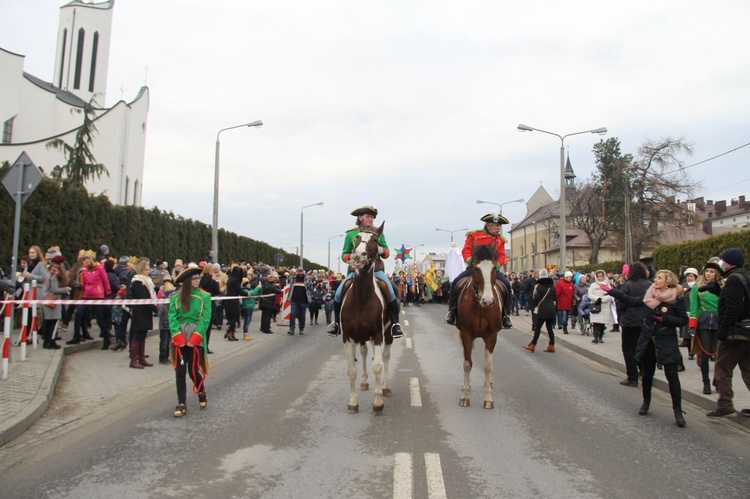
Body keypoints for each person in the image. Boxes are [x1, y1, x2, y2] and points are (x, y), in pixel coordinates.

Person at [326, 206, 403, 338]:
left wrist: (379, 250)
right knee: (338, 294)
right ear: (360, 218)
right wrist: (350, 259)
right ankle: (336, 324)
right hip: (355, 270)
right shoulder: (351, 234)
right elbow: (344, 253)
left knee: (391, 291)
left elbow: (386, 252)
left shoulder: (377, 232)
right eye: (368, 216)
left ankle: (395, 324)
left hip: (375, 270)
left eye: (372, 217)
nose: (370, 219)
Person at [634, 270, 688, 427]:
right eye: (656, 277)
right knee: (647, 373)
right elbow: (632, 301)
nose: (655, 280)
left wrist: (665, 318)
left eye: (659, 278)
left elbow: (682, 320)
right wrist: (612, 291)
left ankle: (677, 411)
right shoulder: (650, 295)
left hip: (667, 340)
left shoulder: (675, 299)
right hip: (649, 340)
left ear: (668, 281)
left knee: (672, 375)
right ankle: (646, 401)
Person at [444, 212, 513, 329]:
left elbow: (501, 255)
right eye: (496, 226)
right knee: (456, 282)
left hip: (491, 270)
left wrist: (496, 265)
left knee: (506, 285)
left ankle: (506, 315)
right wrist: (471, 261)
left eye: (499, 226)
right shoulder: (474, 235)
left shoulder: (500, 240)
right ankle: (452, 312)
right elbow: (466, 250)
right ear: (488, 225)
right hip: (474, 269)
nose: (499, 228)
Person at [706, 248, 750, 418]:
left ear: (729, 262)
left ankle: (725, 404)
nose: (721, 264)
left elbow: (733, 307)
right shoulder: (745, 277)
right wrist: (718, 291)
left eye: (723, 261)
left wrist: (722, 330)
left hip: (733, 333)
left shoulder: (732, 280)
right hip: (747, 331)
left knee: (722, 368)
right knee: (747, 368)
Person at [169, 266, 211, 418]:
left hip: (195, 337)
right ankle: (181, 403)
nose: (197, 281)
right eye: (194, 279)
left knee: (193, 370)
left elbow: (205, 319)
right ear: (186, 281)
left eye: (198, 278)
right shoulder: (175, 297)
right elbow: (172, 317)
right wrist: (177, 337)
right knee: (180, 372)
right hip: (180, 336)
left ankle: (201, 390)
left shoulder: (204, 297)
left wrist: (195, 338)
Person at [607, 262, 652, 387]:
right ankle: (643, 371)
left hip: (630, 320)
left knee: (628, 349)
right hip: (645, 321)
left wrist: (622, 315)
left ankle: (632, 377)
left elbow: (621, 302)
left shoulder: (628, 285)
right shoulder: (650, 285)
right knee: (642, 347)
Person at [688, 258, 722, 394]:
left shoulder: (722, 288)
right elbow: (694, 308)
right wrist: (692, 326)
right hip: (704, 322)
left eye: (712, 271)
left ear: (717, 273)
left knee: (720, 355)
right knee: (705, 354)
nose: (708, 274)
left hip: (719, 322)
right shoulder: (697, 288)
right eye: (706, 271)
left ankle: (717, 380)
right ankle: (706, 382)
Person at [67, 254, 111, 345]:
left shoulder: (100, 269)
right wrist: (79, 285)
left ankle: (107, 339)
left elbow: (105, 281)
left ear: (92, 261)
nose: (86, 263)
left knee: (99, 319)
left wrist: (107, 293)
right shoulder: (84, 271)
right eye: (85, 261)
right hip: (87, 295)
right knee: (79, 313)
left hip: (98, 296)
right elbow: (85, 283)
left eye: (88, 261)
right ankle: (76, 336)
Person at [128, 259, 157, 369]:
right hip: (140, 311)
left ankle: (141, 358)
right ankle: (133, 359)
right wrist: (155, 309)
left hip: (146, 311)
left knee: (143, 334)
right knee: (138, 334)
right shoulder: (137, 281)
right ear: (141, 270)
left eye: (148, 269)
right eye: (145, 269)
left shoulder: (147, 280)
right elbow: (143, 297)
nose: (148, 271)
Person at [523, 269, 557, 352]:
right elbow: (555, 298)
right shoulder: (552, 287)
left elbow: (536, 299)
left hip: (542, 309)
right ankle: (552, 345)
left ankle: (533, 344)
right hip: (551, 309)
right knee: (549, 328)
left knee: (537, 328)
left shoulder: (539, 286)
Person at [40, 256, 71, 349]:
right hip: (53, 300)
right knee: (54, 322)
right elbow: (55, 289)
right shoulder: (55, 275)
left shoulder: (49, 272)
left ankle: (46, 342)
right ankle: (51, 341)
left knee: (47, 321)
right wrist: (66, 289)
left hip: (46, 299)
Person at [587, 269, 616, 344]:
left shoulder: (606, 285)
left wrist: (602, 299)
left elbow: (610, 295)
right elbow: (589, 294)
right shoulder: (593, 285)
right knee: (595, 323)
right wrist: (597, 299)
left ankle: (600, 337)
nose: (599, 277)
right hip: (595, 305)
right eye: (598, 276)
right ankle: (595, 337)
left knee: (602, 323)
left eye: (601, 276)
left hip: (604, 305)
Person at [289, 267, 311, 335]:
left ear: (303, 272)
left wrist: (310, 298)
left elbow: (310, 288)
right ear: (297, 272)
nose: (300, 272)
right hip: (294, 300)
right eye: (299, 271)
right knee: (293, 314)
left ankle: (301, 329)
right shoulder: (293, 279)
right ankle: (291, 329)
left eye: (301, 271)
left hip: (303, 301)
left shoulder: (306, 279)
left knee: (302, 316)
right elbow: (290, 287)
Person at [224, 266, 243, 341]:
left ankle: (232, 333)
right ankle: (229, 331)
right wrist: (247, 294)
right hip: (233, 301)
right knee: (235, 317)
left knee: (232, 318)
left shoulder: (230, 279)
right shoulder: (235, 280)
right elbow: (239, 291)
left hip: (229, 300)